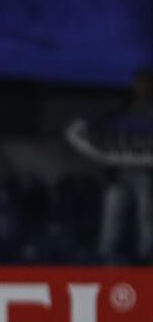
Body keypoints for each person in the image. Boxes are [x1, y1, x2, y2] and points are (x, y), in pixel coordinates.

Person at [66, 70, 153, 262]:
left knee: (146, 211)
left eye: (146, 83)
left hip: (146, 172)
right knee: (112, 210)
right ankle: (106, 254)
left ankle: (147, 254)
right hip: (120, 172)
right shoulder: (122, 107)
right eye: (139, 82)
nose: (141, 86)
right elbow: (102, 130)